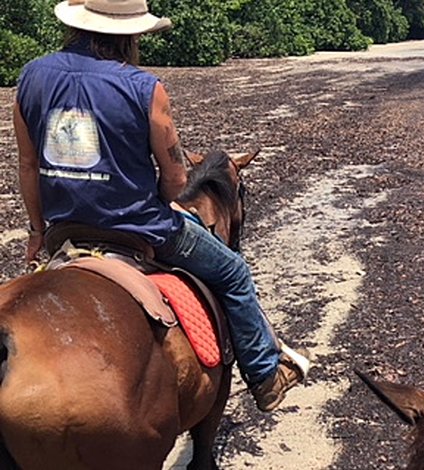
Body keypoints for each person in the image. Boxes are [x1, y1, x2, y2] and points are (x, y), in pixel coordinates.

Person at [12, 0, 308, 412]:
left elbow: (28, 165)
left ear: (77, 25)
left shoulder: (31, 76)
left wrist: (37, 231)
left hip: (64, 229)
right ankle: (265, 375)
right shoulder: (144, 87)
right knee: (234, 272)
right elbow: (176, 179)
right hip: (140, 228)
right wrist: (159, 201)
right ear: (130, 33)